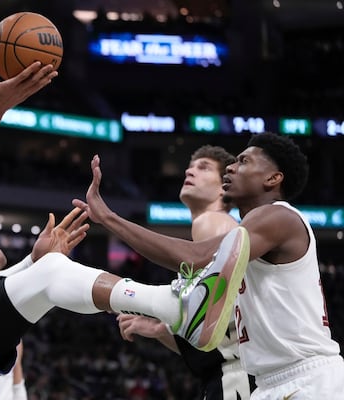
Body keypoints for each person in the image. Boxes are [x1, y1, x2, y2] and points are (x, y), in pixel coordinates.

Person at [0, 63, 249, 399]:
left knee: (48, 267)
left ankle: (180, 307)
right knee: (52, 275)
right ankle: (178, 306)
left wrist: (27, 261)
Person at [74, 132, 344, 399]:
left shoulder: (277, 216)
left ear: (273, 178)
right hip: (268, 382)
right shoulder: (248, 235)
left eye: (244, 162)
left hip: (305, 378)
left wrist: (109, 218)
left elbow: (194, 257)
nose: (231, 166)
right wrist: (163, 328)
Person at [116, 145, 254, 399]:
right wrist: (161, 330)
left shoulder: (212, 221)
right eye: (190, 166)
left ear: (224, 185)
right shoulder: (214, 228)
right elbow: (213, 337)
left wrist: (128, 296)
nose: (190, 171)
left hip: (239, 375)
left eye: (204, 167)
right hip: (230, 373)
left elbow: (226, 324)